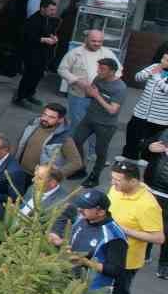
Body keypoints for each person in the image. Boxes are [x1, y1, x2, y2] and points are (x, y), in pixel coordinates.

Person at [104, 161, 163, 294]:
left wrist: (126, 230)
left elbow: (158, 238)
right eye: (112, 179)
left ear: (133, 181)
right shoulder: (116, 190)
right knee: (100, 293)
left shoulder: (147, 205)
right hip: (105, 252)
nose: (113, 183)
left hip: (126, 261)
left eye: (118, 180)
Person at [72, 58, 126, 186]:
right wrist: (87, 89)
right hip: (90, 118)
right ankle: (80, 169)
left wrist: (96, 95)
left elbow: (112, 110)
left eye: (102, 69)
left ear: (112, 72)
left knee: (100, 152)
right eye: (98, 68)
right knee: (75, 141)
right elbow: (91, 93)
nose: (98, 71)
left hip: (106, 124)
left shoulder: (120, 88)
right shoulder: (98, 78)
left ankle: (94, 177)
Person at [59, 29, 119, 127]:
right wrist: (76, 80)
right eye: (93, 41)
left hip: (99, 98)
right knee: (77, 124)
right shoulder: (75, 53)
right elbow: (62, 70)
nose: (96, 44)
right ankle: (75, 142)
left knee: (94, 125)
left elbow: (118, 71)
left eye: (99, 41)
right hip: (78, 95)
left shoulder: (108, 53)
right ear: (86, 39)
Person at [14, 102, 82, 180]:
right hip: (19, 170)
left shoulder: (64, 138)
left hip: (39, 179)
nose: (45, 119)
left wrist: (55, 175)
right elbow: (20, 143)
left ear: (60, 120)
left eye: (51, 117)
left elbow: (76, 163)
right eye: (44, 114)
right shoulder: (33, 124)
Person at [14, 0, 61, 108]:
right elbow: (27, 37)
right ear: (42, 8)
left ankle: (30, 94)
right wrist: (43, 39)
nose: (53, 12)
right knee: (29, 75)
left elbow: (50, 31)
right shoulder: (33, 20)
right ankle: (21, 97)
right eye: (51, 10)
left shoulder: (49, 19)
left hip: (43, 54)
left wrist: (53, 37)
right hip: (32, 53)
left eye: (54, 10)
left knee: (38, 75)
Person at [123, 51, 168, 160]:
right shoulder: (155, 66)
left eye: (166, 60)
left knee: (151, 145)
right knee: (132, 137)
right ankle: (128, 160)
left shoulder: (158, 75)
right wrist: (149, 73)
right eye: (163, 58)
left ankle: (145, 164)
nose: (162, 61)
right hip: (140, 113)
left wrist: (157, 78)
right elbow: (138, 77)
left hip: (159, 119)